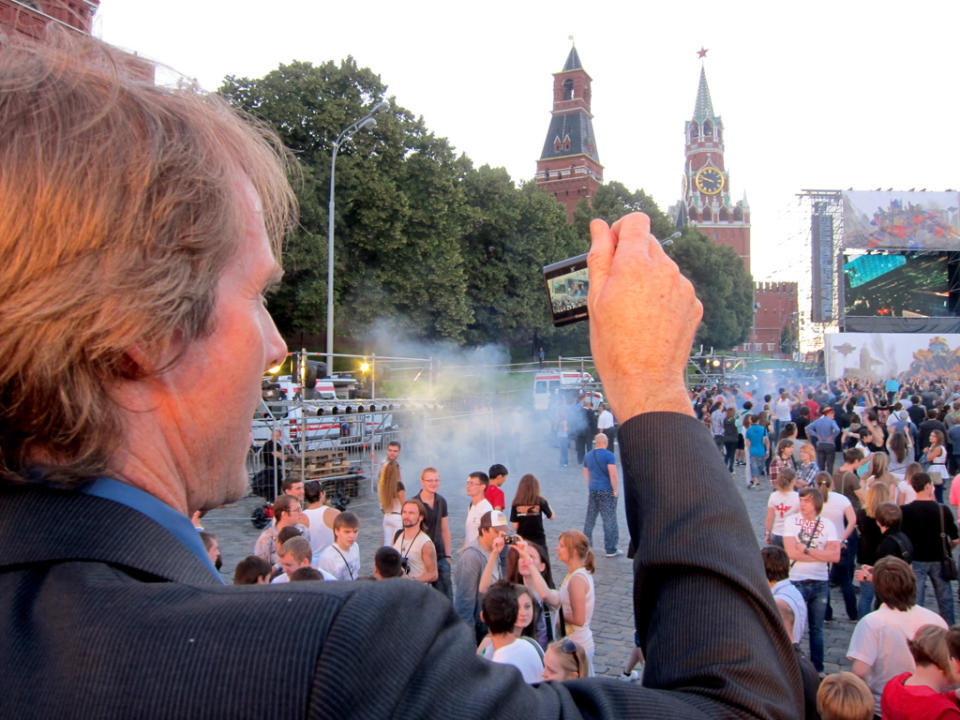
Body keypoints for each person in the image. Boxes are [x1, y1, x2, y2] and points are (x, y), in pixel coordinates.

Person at [0, 43, 798, 715]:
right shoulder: (335, 659)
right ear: (138, 334)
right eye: (255, 296)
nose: (278, 345)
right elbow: (742, 701)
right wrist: (655, 389)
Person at [847, 556, 948, 710]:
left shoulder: (872, 622)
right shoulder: (936, 620)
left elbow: (860, 671)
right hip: (927, 704)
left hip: (884, 705)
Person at [520, 531, 596, 671]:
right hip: (573, 641)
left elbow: (579, 619)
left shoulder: (577, 580)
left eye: (561, 546)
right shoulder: (574, 575)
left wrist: (557, 616)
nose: (557, 548)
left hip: (578, 643)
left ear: (572, 551)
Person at [785, 486, 841, 672]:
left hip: (819, 581)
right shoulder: (791, 521)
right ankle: (794, 667)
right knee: (795, 628)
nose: (802, 504)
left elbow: (835, 556)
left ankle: (818, 667)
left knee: (817, 629)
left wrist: (808, 551)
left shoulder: (828, 525)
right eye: (800, 500)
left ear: (816, 502)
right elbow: (791, 552)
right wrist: (820, 554)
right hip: (797, 579)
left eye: (806, 501)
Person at [901, 472, 959, 625]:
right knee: (945, 598)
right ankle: (949, 629)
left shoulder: (905, 511)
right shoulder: (942, 510)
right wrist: (949, 547)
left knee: (916, 599)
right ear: (928, 486)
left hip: (915, 558)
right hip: (938, 558)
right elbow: (955, 538)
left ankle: (916, 629)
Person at [881, 624, 960, 719]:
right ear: (947, 661)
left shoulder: (894, 684)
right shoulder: (946, 713)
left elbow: (921, 699)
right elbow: (932, 704)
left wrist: (954, 694)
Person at [454, 509, 508, 644]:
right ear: (484, 531)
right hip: (481, 631)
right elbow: (464, 604)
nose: (501, 536)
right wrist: (468, 643)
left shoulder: (502, 550)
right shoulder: (471, 558)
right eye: (497, 532)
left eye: (504, 532)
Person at [478, 581, 543, 684]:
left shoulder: (531, 643)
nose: (523, 613)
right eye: (518, 607)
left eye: (527, 606)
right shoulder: (489, 645)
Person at [415, 466, 453, 599]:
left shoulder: (441, 501)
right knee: (420, 597)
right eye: (430, 480)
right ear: (422, 482)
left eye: (436, 480)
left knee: (445, 597)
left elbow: (445, 530)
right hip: (420, 557)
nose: (433, 483)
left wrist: (448, 556)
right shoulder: (415, 503)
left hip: (440, 555)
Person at [582, 432, 621, 557]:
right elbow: (613, 474)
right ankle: (611, 549)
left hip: (593, 490)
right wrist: (615, 490)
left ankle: (586, 546)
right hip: (606, 491)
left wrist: (590, 486)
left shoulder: (588, 455)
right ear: (605, 442)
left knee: (590, 518)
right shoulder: (609, 455)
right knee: (609, 519)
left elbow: (586, 474)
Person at [391, 498, 438, 583]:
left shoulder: (425, 544)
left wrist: (411, 581)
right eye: (404, 512)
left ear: (420, 517)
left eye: (411, 513)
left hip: (417, 592)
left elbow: (433, 574)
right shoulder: (397, 535)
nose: (406, 516)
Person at [509, 473, 554, 551]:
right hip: (539, 540)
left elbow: (515, 526)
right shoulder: (541, 501)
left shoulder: (516, 503)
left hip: (522, 540)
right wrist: (548, 506)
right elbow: (552, 517)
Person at [316, 511, 361, 582]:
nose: (352, 536)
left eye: (355, 531)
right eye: (347, 532)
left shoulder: (355, 546)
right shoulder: (327, 557)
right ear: (336, 531)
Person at [302, 480, 339, 559]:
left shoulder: (301, 517)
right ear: (321, 494)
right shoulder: (334, 513)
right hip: (332, 558)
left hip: (311, 560)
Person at [764, 467, 799, 548]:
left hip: (776, 533)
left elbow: (770, 518)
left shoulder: (773, 496)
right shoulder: (797, 497)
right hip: (791, 534)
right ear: (793, 481)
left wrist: (767, 533)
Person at [462, 471, 493, 550]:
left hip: (480, 555)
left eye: (472, 484)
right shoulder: (471, 506)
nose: (468, 486)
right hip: (469, 554)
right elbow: (469, 533)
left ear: (483, 487)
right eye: (467, 483)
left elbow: (489, 537)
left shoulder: (486, 509)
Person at [807, 406, 842, 474]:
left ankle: (820, 479)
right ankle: (829, 480)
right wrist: (833, 436)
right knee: (830, 465)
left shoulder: (817, 421)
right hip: (830, 444)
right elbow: (837, 430)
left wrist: (816, 435)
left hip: (820, 444)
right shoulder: (832, 422)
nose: (833, 416)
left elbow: (808, 428)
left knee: (820, 466)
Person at [378, 458, 405, 546]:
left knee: (387, 542)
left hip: (387, 516)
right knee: (397, 544)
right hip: (397, 517)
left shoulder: (383, 486)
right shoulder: (399, 486)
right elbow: (403, 504)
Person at [745, 413, 769, 489]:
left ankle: (754, 480)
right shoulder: (763, 429)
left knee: (753, 466)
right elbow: (767, 441)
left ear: (751, 421)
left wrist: (749, 449)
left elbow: (747, 441)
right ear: (758, 420)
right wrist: (768, 450)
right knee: (760, 466)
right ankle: (756, 481)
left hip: (753, 450)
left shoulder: (749, 430)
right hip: (762, 450)